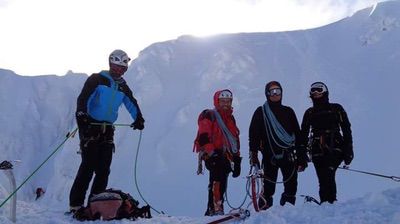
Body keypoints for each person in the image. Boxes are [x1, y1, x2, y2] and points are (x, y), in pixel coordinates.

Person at [69, 49, 145, 213]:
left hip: (107, 129)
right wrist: (81, 113)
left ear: (125, 70)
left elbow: (131, 103)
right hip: (90, 126)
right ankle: (75, 204)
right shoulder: (97, 79)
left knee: (103, 168)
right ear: (110, 64)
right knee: (88, 165)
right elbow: (83, 97)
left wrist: (138, 118)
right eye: (116, 66)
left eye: (121, 68)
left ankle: (96, 204)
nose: (118, 70)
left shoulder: (123, 87)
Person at [248, 81, 308, 210]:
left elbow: (298, 135)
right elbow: (254, 135)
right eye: (272, 91)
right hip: (270, 156)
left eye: (278, 91)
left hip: (289, 155)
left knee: (291, 186)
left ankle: (287, 213)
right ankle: (264, 215)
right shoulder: (261, 112)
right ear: (267, 94)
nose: (275, 94)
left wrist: (302, 157)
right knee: (268, 188)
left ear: (282, 93)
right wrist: (253, 155)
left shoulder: (288, 111)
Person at [300, 81, 353, 204]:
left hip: (335, 147)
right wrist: (301, 154)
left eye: (319, 89)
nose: (316, 92)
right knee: (323, 178)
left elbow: (346, 129)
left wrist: (348, 150)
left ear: (325, 91)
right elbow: (303, 134)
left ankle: (330, 203)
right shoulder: (309, 113)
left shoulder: (337, 108)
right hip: (317, 150)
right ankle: (327, 205)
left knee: (328, 174)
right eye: (313, 90)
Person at [194, 89, 241, 216]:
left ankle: (216, 208)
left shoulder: (230, 119)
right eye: (222, 101)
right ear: (217, 101)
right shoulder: (209, 115)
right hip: (213, 154)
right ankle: (214, 209)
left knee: (222, 181)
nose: (225, 103)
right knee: (217, 180)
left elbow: (235, 139)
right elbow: (204, 135)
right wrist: (211, 152)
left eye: (228, 101)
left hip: (225, 155)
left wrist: (237, 159)